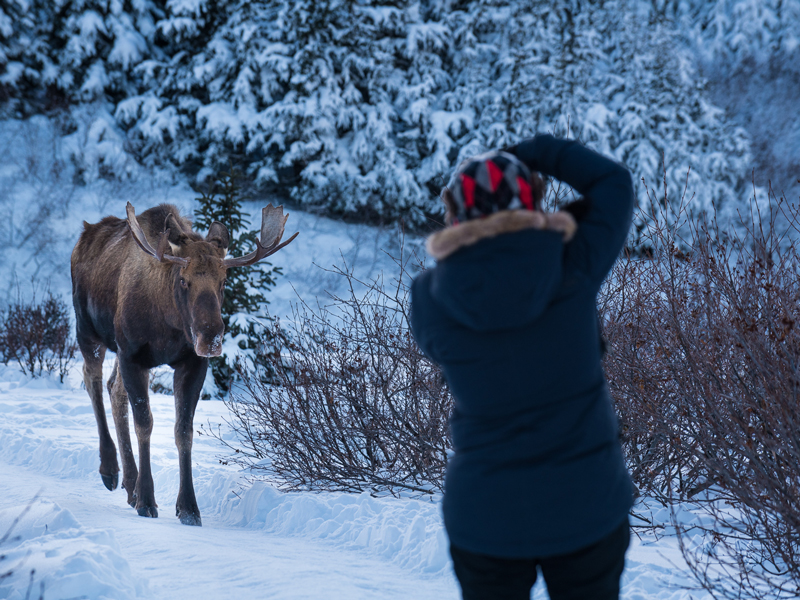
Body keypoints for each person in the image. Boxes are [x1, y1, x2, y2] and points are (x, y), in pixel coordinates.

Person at [410, 134, 635, 600]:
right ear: (532, 198)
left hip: (486, 515)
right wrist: (533, 151)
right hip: (585, 506)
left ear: (455, 214)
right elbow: (613, 183)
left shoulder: (429, 298)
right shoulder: (572, 263)